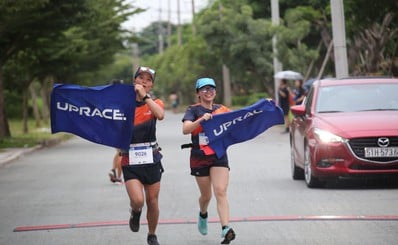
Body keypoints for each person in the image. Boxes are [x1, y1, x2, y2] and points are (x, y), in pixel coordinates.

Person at [182, 78, 236, 244]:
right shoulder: (193, 110)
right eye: (204, 89)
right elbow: (186, 130)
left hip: (218, 155)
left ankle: (225, 228)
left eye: (211, 88)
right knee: (206, 196)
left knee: (220, 191)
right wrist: (202, 120)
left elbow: (238, 119)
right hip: (199, 157)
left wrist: (261, 108)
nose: (208, 92)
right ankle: (203, 213)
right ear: (198, 93)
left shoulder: (221, 109)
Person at [120, 67, 165, 245]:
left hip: (151, 158)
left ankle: (152, 234)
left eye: (148, 80)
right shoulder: (124, 105)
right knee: (138, 200)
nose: (144, 82)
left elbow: (160, 115)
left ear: (151, 85)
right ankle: (136, 211)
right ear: (134, 80)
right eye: (141, 78)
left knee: (152, 201)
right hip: (129, 159)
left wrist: (145, 97)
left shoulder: (155, 102)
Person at [108, 79, 124, 183]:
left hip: (112, 129)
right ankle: (119, 177)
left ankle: (113, 170)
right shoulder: (120, 98)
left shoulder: (109, 98)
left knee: (118, 152)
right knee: (121, 153)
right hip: (120, 128)